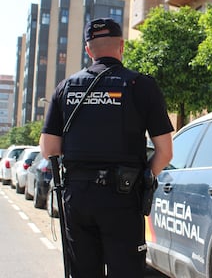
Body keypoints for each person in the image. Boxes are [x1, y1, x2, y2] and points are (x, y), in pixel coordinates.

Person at [39, 17, 174, 278]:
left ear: (88, 50)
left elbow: (49, 149)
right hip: (123, 197)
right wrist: (146, 177)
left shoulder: (65, 88)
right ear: (121, 46)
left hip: (78, 198)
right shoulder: (141, 86)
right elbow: (166, 152)